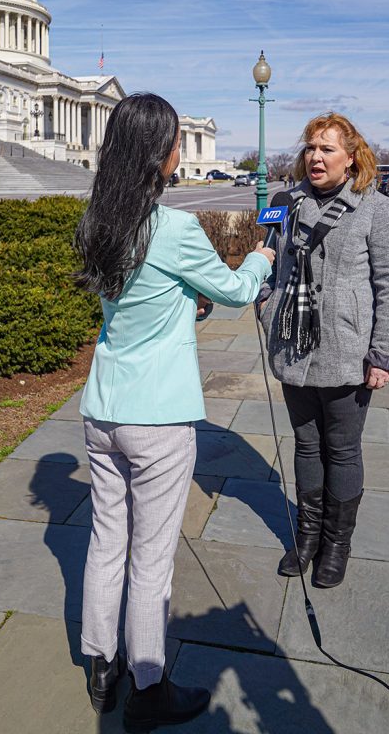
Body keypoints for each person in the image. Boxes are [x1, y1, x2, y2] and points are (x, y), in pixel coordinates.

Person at [75, 92, 275, 728]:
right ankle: (150, 685)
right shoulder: (176, 227)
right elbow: (238, 291)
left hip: (102, 405)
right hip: (157, 414)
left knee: (107, 540)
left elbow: (130, 302)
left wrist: (182, 303)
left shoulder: (96, 221)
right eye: (175, 143)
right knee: (151, 556)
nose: (181, 152)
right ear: (160, 154)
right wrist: (264, 256)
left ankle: (100, 662)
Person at [259, 113, 389, 589]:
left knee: (341, 450)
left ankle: (337, 543)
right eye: (310, 148)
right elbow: (268, 261)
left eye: (326, 149)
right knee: (305, 444)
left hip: (346, 350)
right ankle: (307, 536)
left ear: (351, 157)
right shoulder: (286, 201)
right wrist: (267, 309)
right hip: (292, 347)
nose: (315, 157)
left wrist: (383, 354)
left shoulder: (374, 208)